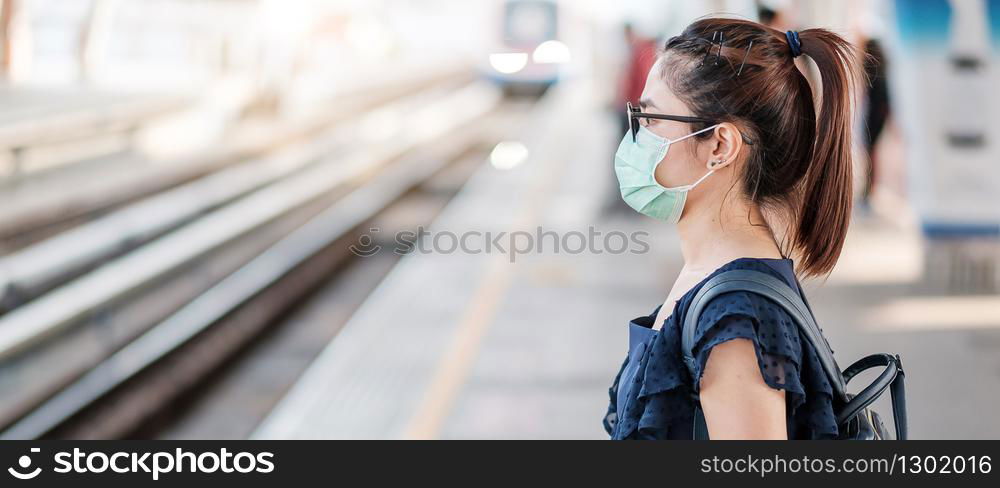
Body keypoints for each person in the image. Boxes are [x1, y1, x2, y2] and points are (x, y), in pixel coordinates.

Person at [604, 17, 859, 439]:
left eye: (649, 119)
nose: (636, 138)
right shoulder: (710, 277)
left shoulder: (738, 317)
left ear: (720, 145)